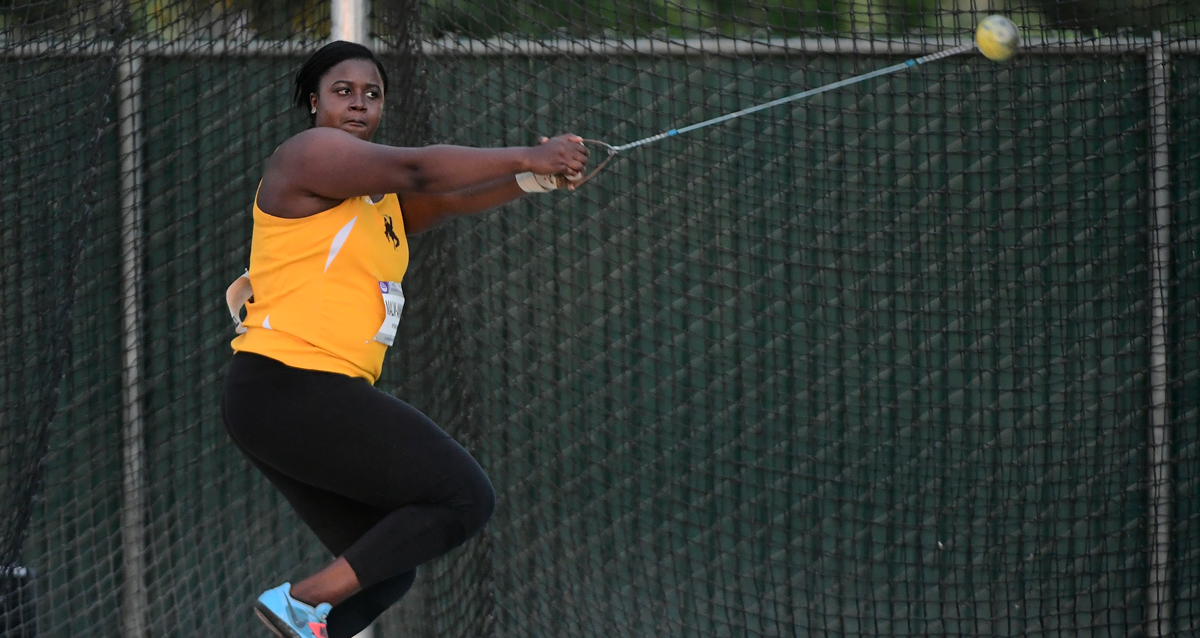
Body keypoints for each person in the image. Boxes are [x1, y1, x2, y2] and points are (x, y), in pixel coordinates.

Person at [220, 40, 588, 638]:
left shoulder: (376, 199)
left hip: (282, 400)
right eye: (343, 92)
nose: (360, 105)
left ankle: (308, 618)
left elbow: (443, 199)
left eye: (373, 95)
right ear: (314, 103)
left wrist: (537, 179)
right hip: (286, 384)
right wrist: (532, 151)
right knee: (464, 497)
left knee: (385, 569)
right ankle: (297, 599)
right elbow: (419, 169)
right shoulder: (309, 154)